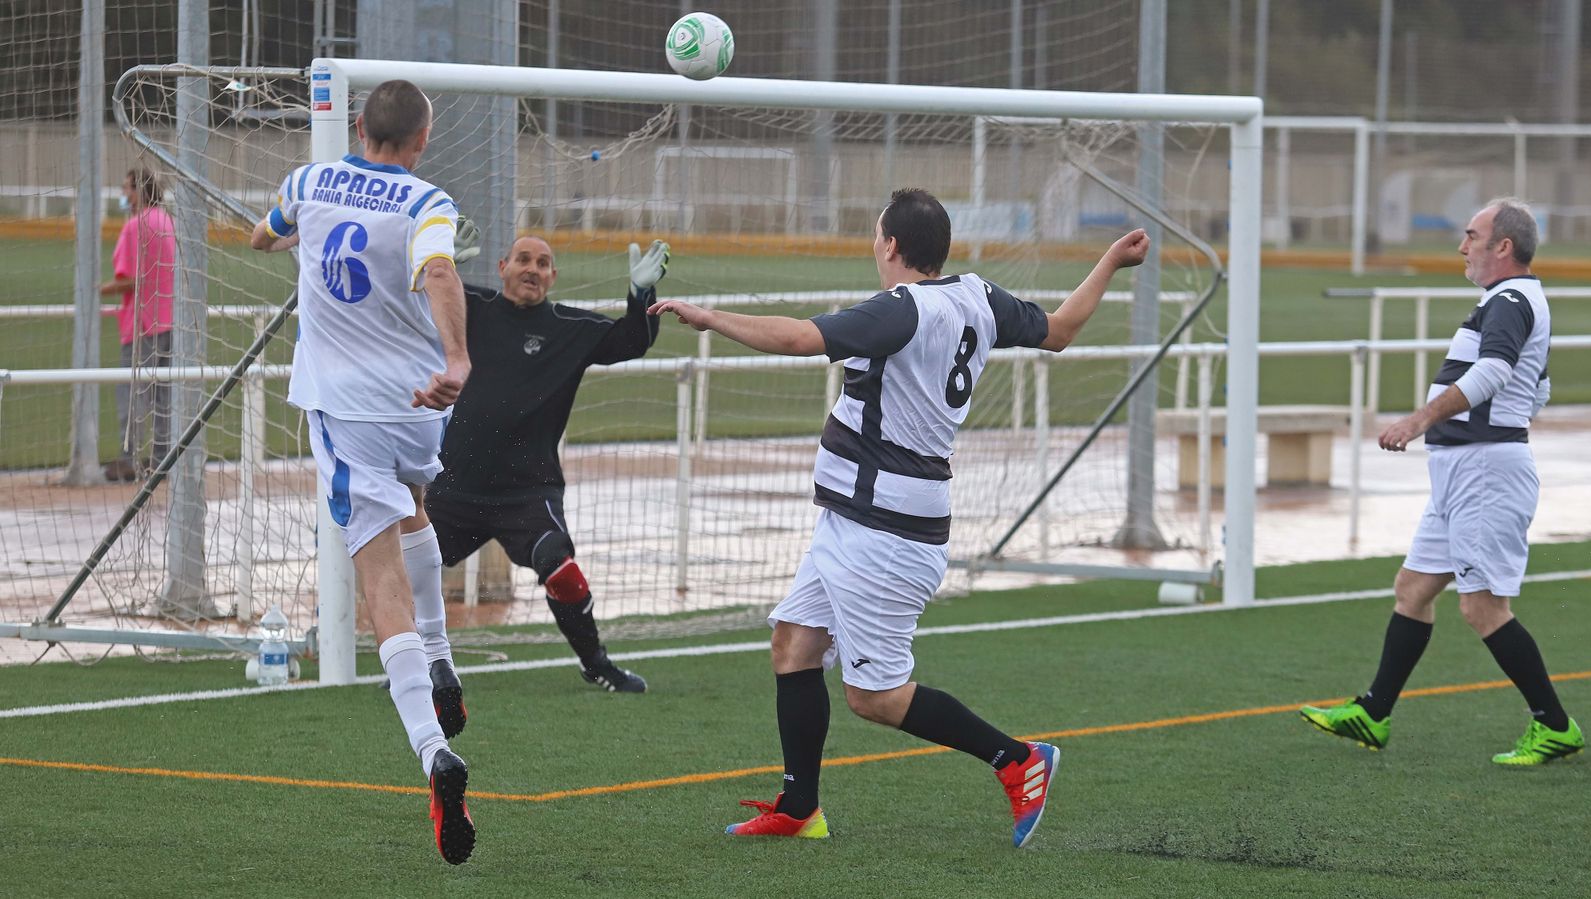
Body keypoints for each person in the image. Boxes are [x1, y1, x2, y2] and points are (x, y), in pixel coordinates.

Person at [649, 188, 1149, 847]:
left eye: (875, 233)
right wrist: (1109, 261)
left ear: (890, 245)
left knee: (875, 697)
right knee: (795, 644)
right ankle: (801, 808)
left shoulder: (902, 310)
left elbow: (802, 337)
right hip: (862, 522)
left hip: (883, 533)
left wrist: (709, 316)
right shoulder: (978, 296)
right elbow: (1060, 330)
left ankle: (1019, 758)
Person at [248, 79, 477, 864]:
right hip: (418, 402)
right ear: (420, 138)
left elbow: (261, 234)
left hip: (347, 409)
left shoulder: (306, 182)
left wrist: (284, 236)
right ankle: (444, 657)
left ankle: (430, 748)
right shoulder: (426, 200)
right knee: (415, 504)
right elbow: (439, 273)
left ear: (357, 125)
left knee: (376, 574)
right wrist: (457, 357)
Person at [1300, 198, 1582, 766]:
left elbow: (1500, 371)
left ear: (1502, 246)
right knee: (1413, 588)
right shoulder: (1513, 301)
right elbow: (1537, 387)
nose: (1462, 246)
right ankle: (1373, 713)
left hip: (1484, 472)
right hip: (1466, 470)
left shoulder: (1508, 298)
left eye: (1472, 235)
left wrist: (1420, 419)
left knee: (1483, 608)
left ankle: (1555, 727)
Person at [420, 232, 670, 701]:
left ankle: (596, 664)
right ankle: (414, 666)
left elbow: (633, 340)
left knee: (562, 570)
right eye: (523, 260)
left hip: (527, 493)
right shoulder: (467, 305)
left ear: (553, 276)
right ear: (502, 267)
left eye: (543, 263)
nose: (532, 269)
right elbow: (408, 298)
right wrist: (439, 267)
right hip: (455, 485)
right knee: (408, 566)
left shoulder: (566, 328)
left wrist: (641, 296)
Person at [100, 167, 177, 482]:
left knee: (131, 395)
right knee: (162, 397)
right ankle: (161, 460)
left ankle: (129, 459)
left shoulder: (135, 226)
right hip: (169, 321)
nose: (123, 194)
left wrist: (98, 290)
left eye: (126, 188)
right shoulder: (167, 222)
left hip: (142, 323)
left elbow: (130, 280)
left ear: (140, 192)